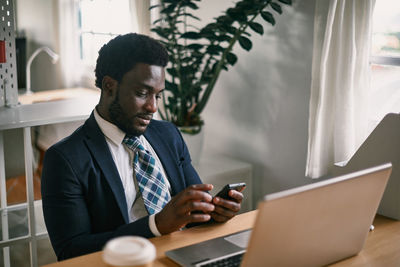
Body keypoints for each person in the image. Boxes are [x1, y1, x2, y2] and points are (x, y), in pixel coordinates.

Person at [41, 33, 244, 261]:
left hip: (183, 257)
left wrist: (215, 212)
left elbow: (193, 208)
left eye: (158, 95)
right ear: (109, 86)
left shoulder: (168, 134)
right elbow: (71, 251)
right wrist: (155, 225)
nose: (153, 107)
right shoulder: (65, 159)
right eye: (142, 93)